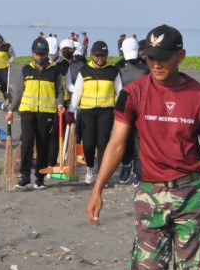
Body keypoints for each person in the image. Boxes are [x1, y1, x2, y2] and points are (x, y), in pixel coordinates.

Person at [85, 25, 200, 270]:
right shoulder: (133, 93)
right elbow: (116, 144)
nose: (155, 64)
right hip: (151, 193)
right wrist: (97, 189)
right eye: (150, 57)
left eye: (163, 58)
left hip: (191, 193)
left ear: (181, 56)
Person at [6, 37, 65, 189]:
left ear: (47, 54)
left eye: (42, 54)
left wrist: (59, 104)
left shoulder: (54, 71)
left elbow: (60, 91)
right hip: (27, 113)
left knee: (43, 145)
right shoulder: (26, 70)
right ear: (32, 53)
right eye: (37, 54)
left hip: (46, 113)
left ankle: (40, 178)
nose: (39, 57)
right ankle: (25, 176)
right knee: (26, 143)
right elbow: (19, 92)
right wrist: (11, 110)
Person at [68, 40, 122, 184]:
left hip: (106, 112)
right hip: (87, 112)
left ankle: (102, 173)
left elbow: (120, 92)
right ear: (92, 54)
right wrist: (71, 110)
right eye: (97, 56)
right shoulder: (85, 70)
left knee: (103, 143)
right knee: (89, 144)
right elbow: (78, 92)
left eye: (103, 56)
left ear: (107, 55)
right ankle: (90, 168)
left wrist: (122, 111)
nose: (100, 58)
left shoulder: (113, 71)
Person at [115, 37, 150, 186]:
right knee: (124, 139)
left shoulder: (145, 67)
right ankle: (126, 165)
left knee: (139, 141)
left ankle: (138, 171)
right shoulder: (118, 67)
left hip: (142, 108)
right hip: (124, 107)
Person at [47, 39, 75, 166]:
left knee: (57, 132)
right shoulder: (43, 63)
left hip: (61, 102)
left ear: (59, 50)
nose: (51, 56)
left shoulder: (64, 64)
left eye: (53, 53)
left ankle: (54, 159)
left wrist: (79, 91)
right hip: (46, 102)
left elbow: (68, 85)